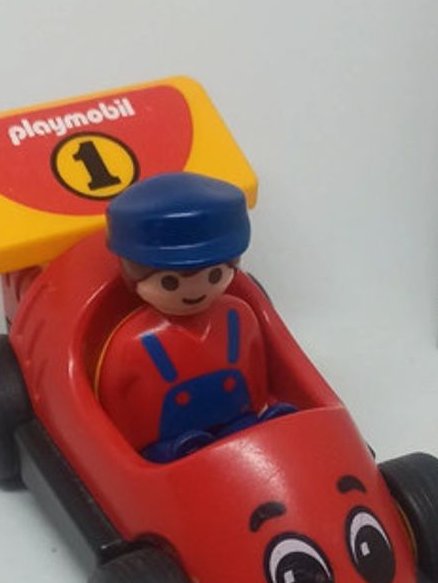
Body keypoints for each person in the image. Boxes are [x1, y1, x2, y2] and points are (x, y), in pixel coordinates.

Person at [95, 172, 295, 461]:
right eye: (170, 283)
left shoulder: (239, 317)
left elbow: (256, 370)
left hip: (239, 420)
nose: (195, 292)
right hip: (166, 445)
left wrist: (262, 406)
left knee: (260, 425)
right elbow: (118, 402)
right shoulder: (133, 343)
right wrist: (127, 450)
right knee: (182, 451)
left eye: (214, 276)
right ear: (133, 276)